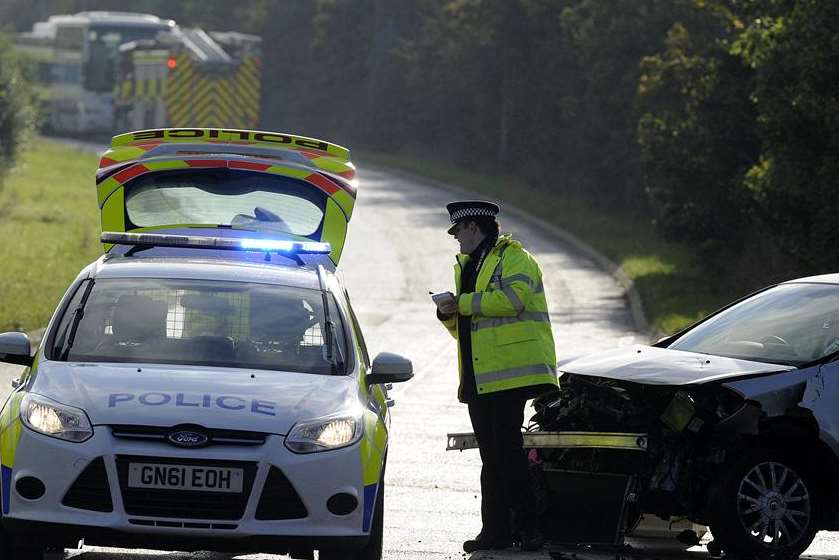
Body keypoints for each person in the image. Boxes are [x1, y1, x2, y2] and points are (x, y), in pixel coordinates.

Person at [435, 200, 559, 553]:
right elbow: (473, 328)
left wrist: (461, 303)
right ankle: (495, 532)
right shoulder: (468, 265)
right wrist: (448, 314)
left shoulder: (515, 258)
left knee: (507, 453)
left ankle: (529, 527)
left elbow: (514, 300)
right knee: (491, 456)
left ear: (474, 227)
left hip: (512, 375)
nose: (456, 240)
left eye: (458, 231)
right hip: (480, 376)